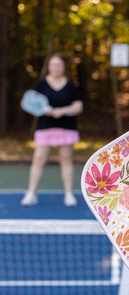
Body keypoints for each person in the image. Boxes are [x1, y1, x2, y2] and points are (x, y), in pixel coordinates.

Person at [21, 53, 83, 207]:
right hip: (45, 127)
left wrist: (61, 111)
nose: (56, 67)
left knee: (66, 160)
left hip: (66, 127)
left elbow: (78, 106)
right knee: (38, 159)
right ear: (49, 67)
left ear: (63, 67)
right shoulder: (41, 84)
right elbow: (32, 103)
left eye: (59, 65)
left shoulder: (70, 85)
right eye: (53, 65)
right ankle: (31, 193)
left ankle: (69, 195)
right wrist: (46, 111)